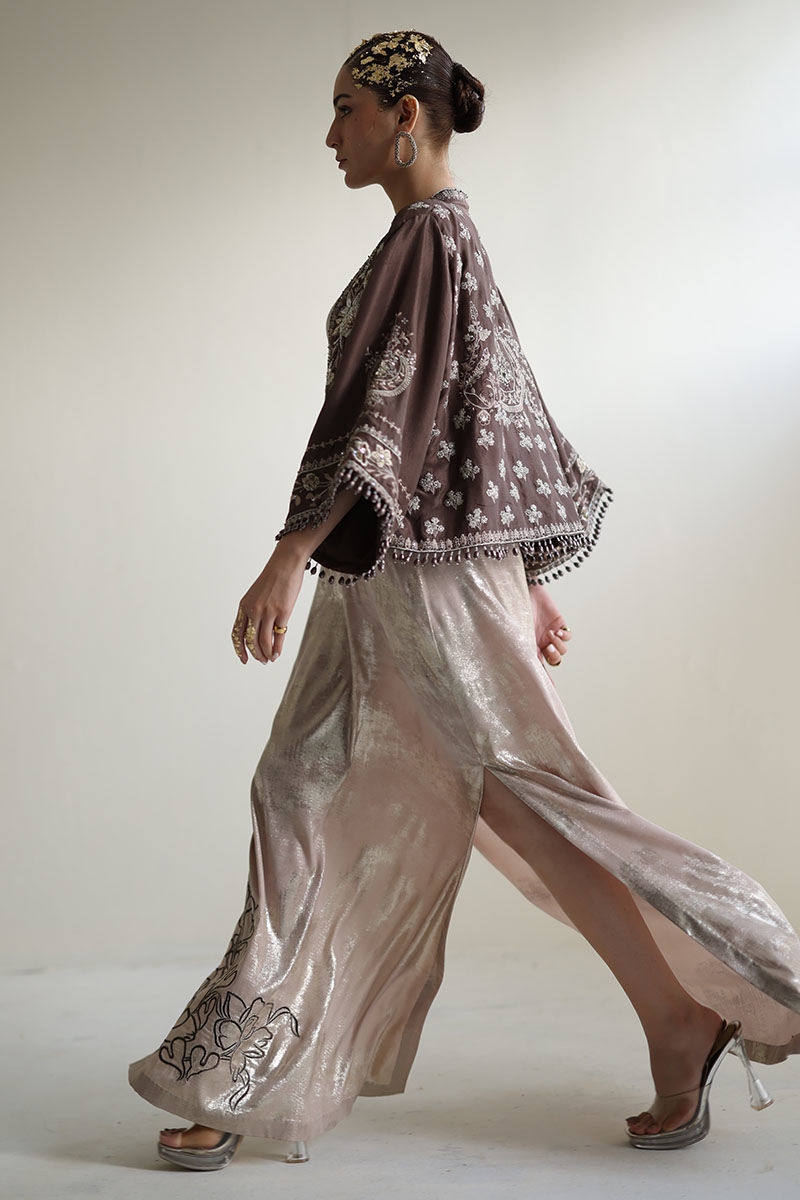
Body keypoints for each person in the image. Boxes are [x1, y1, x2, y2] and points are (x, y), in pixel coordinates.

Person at [128, 30, 800, 1172]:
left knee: (519, 797)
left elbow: (395, 412)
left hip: (420, 573)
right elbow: (486, 411)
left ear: (404, 115)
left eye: (345, 107)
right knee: (315, 786)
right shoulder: (434, 241)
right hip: (395, 570)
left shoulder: (433, 238)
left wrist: (291, 552)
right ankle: (246, 1067)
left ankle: (698, 1001)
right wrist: (522, 576)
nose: (329, 133)